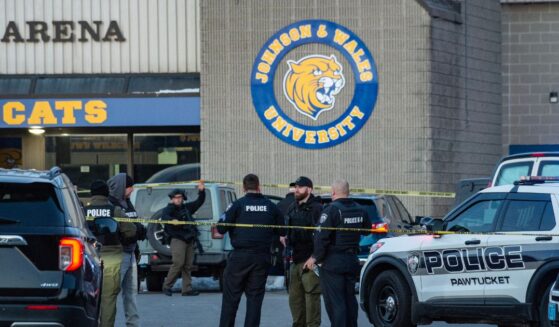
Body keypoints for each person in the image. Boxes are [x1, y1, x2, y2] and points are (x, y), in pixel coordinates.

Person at [217, 174, 286, 327]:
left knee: (231, 299)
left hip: (240, 257)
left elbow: (221, 228)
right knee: (255, 300)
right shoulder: (271, 206)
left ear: (243, 187)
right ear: (259, 186)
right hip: (261, 258)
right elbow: (282, 230)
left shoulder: (237, 205)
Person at [304, 179, 371, 327]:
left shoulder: (331, 210)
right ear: (348, 192)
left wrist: (315, 257)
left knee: (336, 303)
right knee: (349, 300)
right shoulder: (360, 209)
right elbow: (367, 230)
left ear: (333, 192)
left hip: (333, 262)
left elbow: (321, 237)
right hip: (352, 259)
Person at [85, 180, 135, 327]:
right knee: (108, 298)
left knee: (88, 298)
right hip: (112, 258)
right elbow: (131, 231)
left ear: (92, 194)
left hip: (88, 258)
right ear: (106, 193)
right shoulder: (115, 211)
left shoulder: (82, 212)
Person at [283, 177, 323, 327]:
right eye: (296, 187)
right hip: (295, 260)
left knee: (311, 303)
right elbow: (288, 230)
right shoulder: (292, 208)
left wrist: (315, 258)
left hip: (310, 261)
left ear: (309, 189)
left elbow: (323, 236)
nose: (296, 189)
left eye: (300, 187)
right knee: (295, 302)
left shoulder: (317, 208)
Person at [107, 173, 145, 327]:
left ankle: (133, 324)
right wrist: (135, 231)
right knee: (112, 292)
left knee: (131, 293)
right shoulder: (112, 205)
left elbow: (135, 224)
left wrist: (139, 230)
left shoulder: (127, 203)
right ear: (121, 187)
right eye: (129, 187)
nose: (132, 190)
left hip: (131, 253)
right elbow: (118, 231)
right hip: (119, 254)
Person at [161, 181, 206, 296]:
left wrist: (201, 191)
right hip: (177, 239)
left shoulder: (186, 208)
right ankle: (167, 286)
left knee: (188, 265)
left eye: (180, 197)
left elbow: (199, 202)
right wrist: (172, 221)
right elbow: (164, 217)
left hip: (189, 239)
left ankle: (187, 289)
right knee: (178, 263)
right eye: (175, 198)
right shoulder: (169, 209)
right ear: (172, 199)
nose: (178, 200)